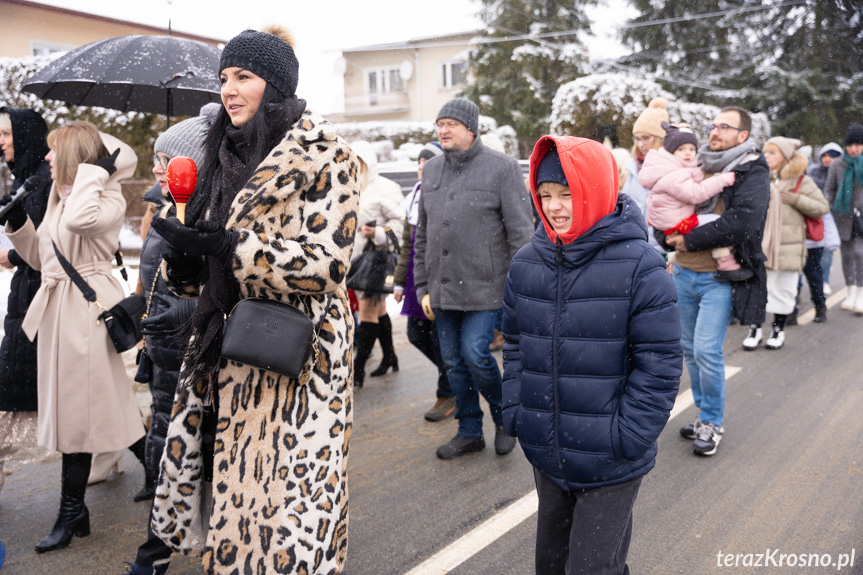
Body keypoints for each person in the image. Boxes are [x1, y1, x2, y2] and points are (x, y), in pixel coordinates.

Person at [148, 26, 360, 574]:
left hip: (297, 357)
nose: (230, 89)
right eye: (223, 78)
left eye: (244, 77)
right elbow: (213, 267)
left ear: (277, 84)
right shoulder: (218, 154)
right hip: (224, 349)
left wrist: (232, 246)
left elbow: (327, 264)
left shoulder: (325, 154)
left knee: (287, 519)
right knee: (230, 505)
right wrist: (191, 261)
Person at [502, 136, 681, 575]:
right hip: (546, 450)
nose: (555, 206)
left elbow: (659, 365)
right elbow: (513, 344)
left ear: (596, 188)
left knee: (592, 568)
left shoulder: (641, 266)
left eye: (567, 192)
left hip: (611, 460)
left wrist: (627, 437)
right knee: (551, 565)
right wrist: (517, 413)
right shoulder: (527, 262)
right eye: (545, 195)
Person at [0, 120, 147, 552]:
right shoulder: (59, 197)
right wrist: (18, 226)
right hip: (59, 309)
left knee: (81, 410)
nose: (46, 157)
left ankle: (71, 512)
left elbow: (83, 224)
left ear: (74, 156)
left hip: (86, 310)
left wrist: (94, 172)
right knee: (87, 406)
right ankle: (155, 472)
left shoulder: (104, 196)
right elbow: (45, 257)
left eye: (54, 150)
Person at [120, 109, 216, 575]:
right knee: (165, 452)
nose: (157, 165)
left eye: (166, 158)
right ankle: (160, 545)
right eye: (156, 156)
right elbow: (150, 279)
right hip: (162, 343)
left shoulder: (205, 216)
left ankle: (164, 549)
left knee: (186, 455)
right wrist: (142, 320)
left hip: (189, 347)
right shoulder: (161, 206)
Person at [413, 97, 533, 460]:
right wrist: (421, 286)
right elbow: (423, 233)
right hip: (443, 287)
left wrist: (519, 289)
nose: (443, 130)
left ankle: (503, 418)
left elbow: (521, 234)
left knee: (475, 354)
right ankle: (469, 430)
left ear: (471, 128)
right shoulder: (432, 170)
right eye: (440, 124)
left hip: (488, 287)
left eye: (451, 124)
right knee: (452, 362)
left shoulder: (502, 168)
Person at [659, 106, 770, 456]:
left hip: (718, 278)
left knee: (707, 350)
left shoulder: (752, 168)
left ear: (743, 135)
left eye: (725, 126)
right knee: (690, 350)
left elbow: (742, 222)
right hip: (684, 272)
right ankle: (704, 413)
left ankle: (712, 421)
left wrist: (689, 239)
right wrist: (668, 238)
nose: (715, 131)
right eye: (713, 125)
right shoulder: (696, 165)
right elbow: (669, 205)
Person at [0, 106, 53, 497]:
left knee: (16, 388)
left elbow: (45, 245)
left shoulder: (42, 181)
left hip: (38, 297)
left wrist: (13, 256)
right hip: (26, 294)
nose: (1, 142)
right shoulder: (24, 176)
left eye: (6, 134)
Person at [743, 137, 829, 349]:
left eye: (773, 152)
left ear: (785, 156)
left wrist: (796, 199)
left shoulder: (800, 180)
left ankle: (777, 329)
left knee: (783, 289)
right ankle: (755, 329)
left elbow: (822, 207)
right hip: (760, 243)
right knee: (758, 288)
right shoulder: (758, 176)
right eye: (766, 151)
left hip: (788, 245)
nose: (767, 156)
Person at [393, 142, 455, 422]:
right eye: (419, 161)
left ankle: (448, 391)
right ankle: (455, 376)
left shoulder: (447, 195)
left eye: (427, 161)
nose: (421, 166)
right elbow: (408, 245)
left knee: (441, 338)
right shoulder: (414, 197)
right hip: (415, 279)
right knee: (416, 335)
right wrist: (397, 282)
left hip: (439, 278)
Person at [639, 122, 739, 276]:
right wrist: (721, 180)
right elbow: (695, 194)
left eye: (692, 149)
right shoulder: (674, 175)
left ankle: (673, 258)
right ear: (671, 152)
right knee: (716, 222)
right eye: (681, 149)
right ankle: (724, 259)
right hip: (676, 223)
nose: (688, 153)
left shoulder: (669, 169)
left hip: (666, 223)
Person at [349, 140, 405, 387]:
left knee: (368, 312)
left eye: (359, 161)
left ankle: (357, 371)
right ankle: (390, 357)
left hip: (375, 262)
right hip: (357, 261)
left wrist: (378, 232)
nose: (354, 165)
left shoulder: (384, 188)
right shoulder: (349, 185)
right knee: (379, 311)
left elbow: (402, 225)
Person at [824, 124, 863, 314]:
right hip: (843, 218)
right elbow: (829, 190)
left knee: (860, 254)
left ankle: (861, 294)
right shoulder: (837, 164)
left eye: (857, 145)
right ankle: (850, 292)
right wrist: (825, 208)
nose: (853, 149)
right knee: (847, 257)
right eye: (850, 145)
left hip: (862, 218)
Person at [622, 97, 668, 220]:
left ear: (660, 138)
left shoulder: (672, 166)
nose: (640, 144)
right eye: (637, 138)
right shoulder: (633, 166)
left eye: (646, 138)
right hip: (635, 235)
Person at [809, 142, 843, 297]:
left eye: (832, 156)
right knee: (817, 250)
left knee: (828, 249)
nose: (828, 159)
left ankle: (824, 279)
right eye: (825, 155)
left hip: (837, 215)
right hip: (817, 215)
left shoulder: (844, 173)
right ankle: (818, 281)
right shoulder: (813, 173)